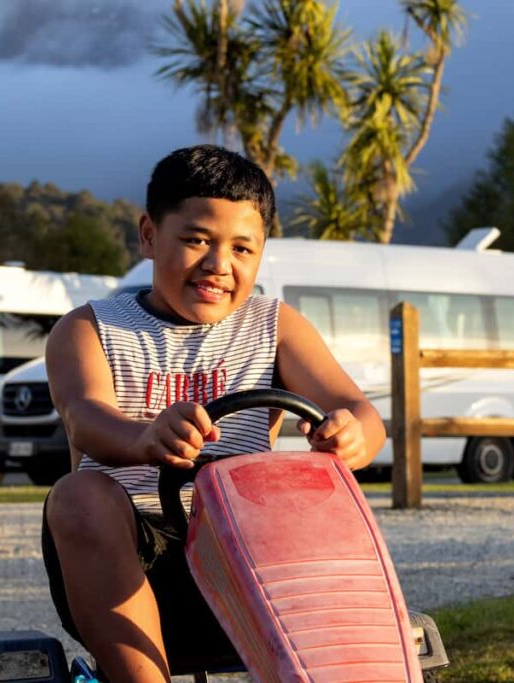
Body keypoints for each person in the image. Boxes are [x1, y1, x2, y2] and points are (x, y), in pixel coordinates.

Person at [42, 145, 386, 681]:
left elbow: (358, 409)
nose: (219, 266)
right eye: (197, 239)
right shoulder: (88, 329)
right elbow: (84, 416)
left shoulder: (275, 325)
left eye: (242, 249)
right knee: (79, 496)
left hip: (247, 548)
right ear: (150, 235)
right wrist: (143, 439)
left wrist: (354, 433)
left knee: (313, 500)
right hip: (134, 551)